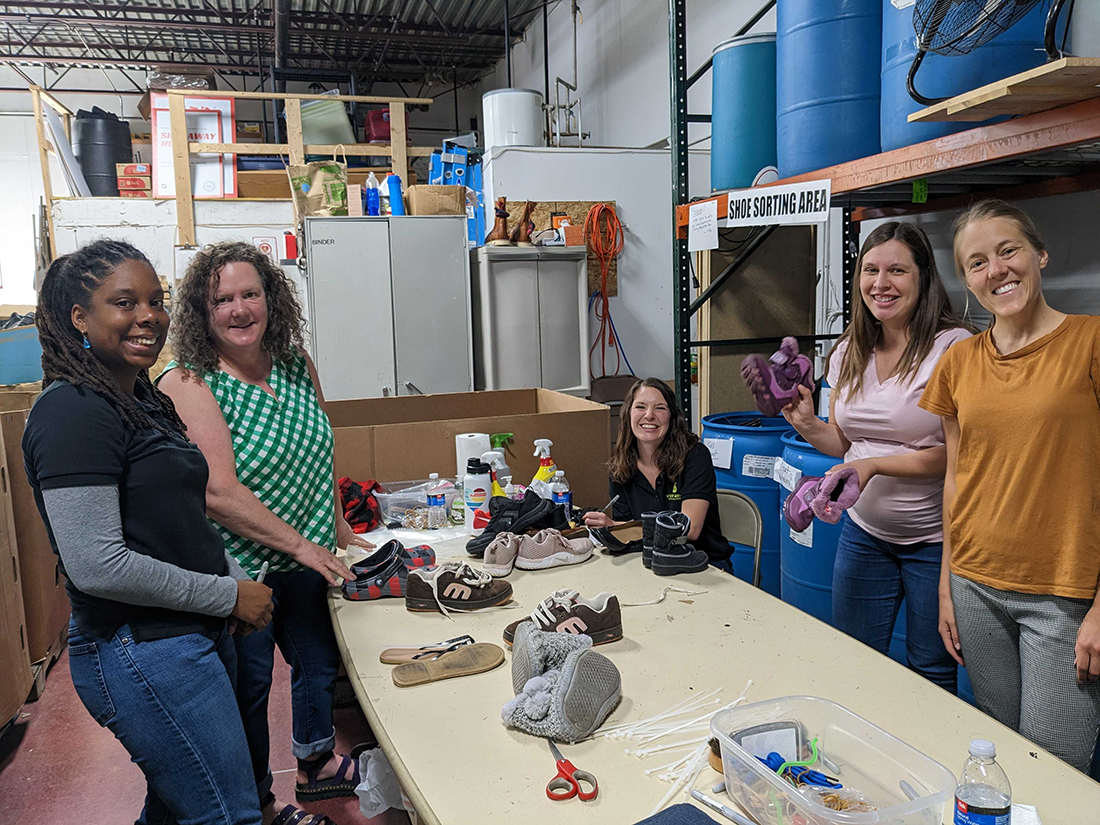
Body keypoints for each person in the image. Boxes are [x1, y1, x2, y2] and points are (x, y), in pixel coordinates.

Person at [23, 240, 272, 824]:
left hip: (190, 636)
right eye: (124, 302)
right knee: (226, 815)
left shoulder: (142, 400)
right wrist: (229, 594)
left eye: (156, 301)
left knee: (174, 807)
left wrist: (229, 587)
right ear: (79, 318)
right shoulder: (73, 412)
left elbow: (187, 519)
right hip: (141, 649)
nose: (149, 316)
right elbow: (97, 563)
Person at [158, 242, 367, 822]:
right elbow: (218, 492)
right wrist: (304, 545)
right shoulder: (191, 383)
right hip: (240, 567)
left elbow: (320, 446)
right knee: (247, 691)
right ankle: (259, 803)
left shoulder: (296, 360)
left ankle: (316, 764)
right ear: (203, 313)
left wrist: (338, 524)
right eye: (222, 299)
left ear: (271, 298)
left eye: (250, 293)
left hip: (307, 551)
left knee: (319, 662)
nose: (239, 309)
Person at [920, 199, 1100, 772]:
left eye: (1007, 251)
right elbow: (956, 477)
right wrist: (948, 583)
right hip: (975, 585)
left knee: (1054, 766)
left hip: (1063, 596)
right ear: (968, 282)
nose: (995, 270)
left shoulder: (1090, 343)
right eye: (977, 263)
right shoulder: (960, 362)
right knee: (998, 759)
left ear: (1040, 255)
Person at [781, 222, 971, 693]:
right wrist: (807, 424)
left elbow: (957, 457)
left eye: (896, 271)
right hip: (865, 536)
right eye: (870, 270)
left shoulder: (953, 348)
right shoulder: (849, 351)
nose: (880, 283)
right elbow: (845, 443)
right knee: (855, 661)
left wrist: (872, 466)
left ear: (923, 277)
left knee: (930, 672)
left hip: (935, 543)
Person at [582, 377, 730, 564]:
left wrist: (617, 527)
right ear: (628, 414)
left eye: (660, 408)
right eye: (640, 407)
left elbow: (690, 529)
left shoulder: (695, 456)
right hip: (648, 561)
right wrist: (614, 529)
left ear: (672, 417)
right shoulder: (620, 469)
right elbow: (627, 536)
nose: (649, 415)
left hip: (704, 564)